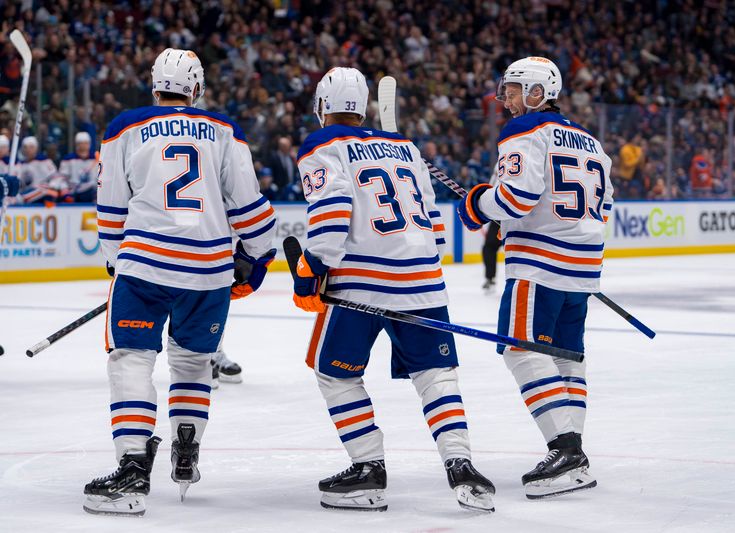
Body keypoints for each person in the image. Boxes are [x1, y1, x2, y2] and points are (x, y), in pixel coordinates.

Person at [291, 67, 495, 513]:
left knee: (335, 372)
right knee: (435, 377)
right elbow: (431, 217)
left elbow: (331, 210)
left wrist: (312, 269)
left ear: (323, 106)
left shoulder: (321, 144)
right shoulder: (406, 148)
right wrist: (426, 264)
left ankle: (368, 470)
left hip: (361, 285)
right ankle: (460, 465)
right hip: (422, 279)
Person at [83, 48, 277, 516]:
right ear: (196, 88)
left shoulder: (125, 126)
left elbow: (109, 209)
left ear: (154, 84)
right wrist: (255, 257)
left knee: (131, 359)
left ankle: (131, 469)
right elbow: (251, 208)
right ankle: (186, 448)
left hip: (145, 266)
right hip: (208, 271)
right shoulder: (225, 130)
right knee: (193, 364)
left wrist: (116, 262)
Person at [457, 57, 613, 499]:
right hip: (582, 267)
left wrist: (477, 204)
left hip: (539, 266)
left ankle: (565, 451)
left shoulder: (524, 132)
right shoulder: (591, 142)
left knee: (520, 349)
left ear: (538, 92)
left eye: (512, 89)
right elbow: (606, 204)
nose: (504, 98)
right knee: (567, 358)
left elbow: (515, 199)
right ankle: (572, 452)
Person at [59, 131, 100, 203]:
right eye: (81, 143)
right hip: (73, 193)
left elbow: (100, 178)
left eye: (86, 143)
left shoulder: (96, 159)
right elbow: (62, 178)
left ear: (89, 144)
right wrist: (65, 193)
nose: (83, 146)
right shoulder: (68, 159)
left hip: (92, 194)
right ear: (77, 144)